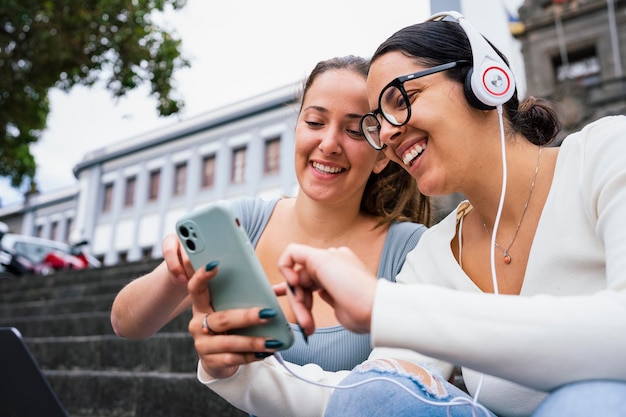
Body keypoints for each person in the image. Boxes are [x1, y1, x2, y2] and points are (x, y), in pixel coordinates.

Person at [271, 11, 626, 417]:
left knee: (587, 402)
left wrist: (384, 306)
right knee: (372, 397)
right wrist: (239, 369)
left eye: (400, 99)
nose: (385, 134)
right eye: (377, 122)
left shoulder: (606, 153)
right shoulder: (434, 254)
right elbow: (363, 391)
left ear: (485, 81)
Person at [110, 55, 430, 378]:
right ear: (296, 129)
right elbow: (125, 324)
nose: (329, 144)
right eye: (315, 122)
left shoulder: (411, 249)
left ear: (381, 156)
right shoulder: (243, 224)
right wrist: (176, 273)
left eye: (353, 130)